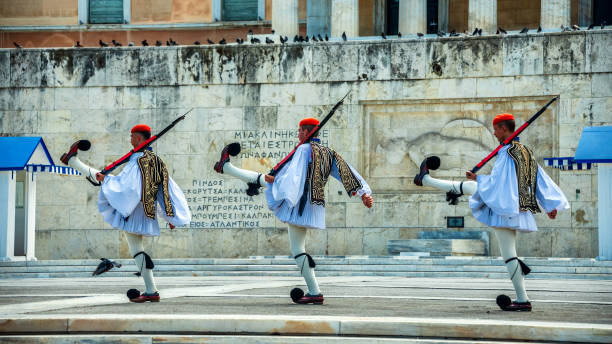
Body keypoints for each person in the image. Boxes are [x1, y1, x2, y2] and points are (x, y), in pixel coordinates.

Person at [413, 113, 569, 311]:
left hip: (504, 206)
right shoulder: (524, 151)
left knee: (509, 254)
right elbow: (540, 179)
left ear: (503, 128)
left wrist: (477, 178)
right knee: (472, 191)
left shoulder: (507, 152)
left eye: (495, 129)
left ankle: (523, 300)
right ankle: (426, 180)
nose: (494, 133)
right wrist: (550, 206)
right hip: (512, 206)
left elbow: (497, 182)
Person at [214, 117, 374, 304]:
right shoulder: (328, 153)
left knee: (297, 248)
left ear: (306, 132)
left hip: (298, 202)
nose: (298, 134)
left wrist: (277, 181)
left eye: (300, 131)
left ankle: (315, 292)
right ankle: (227, 168)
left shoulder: (304, 149)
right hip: (314, 203)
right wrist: (363, 193)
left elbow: (294, 175)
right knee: (298, 246)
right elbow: (346, 172)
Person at [60, 124, 191, 302]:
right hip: (145, 209)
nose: (130, 139)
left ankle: (152, 291)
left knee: (136, 249)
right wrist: (169, 214)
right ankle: (151, 290)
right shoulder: (154, 159)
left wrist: (106, 180)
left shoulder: (138, 160)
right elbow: (165, 187)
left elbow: (128, 188)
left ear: (138, 138)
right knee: (137, 248)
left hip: (133, 209)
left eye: (131, 136)